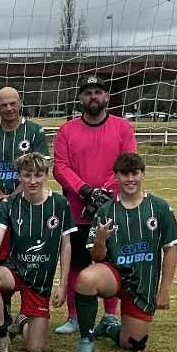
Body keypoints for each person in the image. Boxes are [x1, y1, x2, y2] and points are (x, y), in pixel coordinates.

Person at [71, 152, 177, 352]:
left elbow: (171, 249)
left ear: (143, 175)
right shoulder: (105, 211)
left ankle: (109, 328)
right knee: (86, 279)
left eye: (135, 173)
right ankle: (87, 339)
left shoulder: (159, 208)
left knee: (134, 343)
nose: (130, 179)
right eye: (124, 174)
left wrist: (164, 291)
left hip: (143, 281)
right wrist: (101, 239)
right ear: (116, 177)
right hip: (114, 275)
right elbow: (97, 257)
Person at [51, 74, 139, 335]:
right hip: (77, 209)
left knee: (112, 262)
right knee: (76, 263)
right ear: (80, 98)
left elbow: (129, 162)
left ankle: (110, 315)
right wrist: (85, 190)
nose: (93, 97)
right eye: (88, 93)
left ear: (106, 97)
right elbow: (60, 166)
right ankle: (75, 316)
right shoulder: (67, 130)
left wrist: (106, 191)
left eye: (98, 92)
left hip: (112, 209)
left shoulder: (122, 127)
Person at [0, 151, 74, 352]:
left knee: (35, 348)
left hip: (40, 282)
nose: (32, 181)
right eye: (27, 175)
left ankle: (23, 320)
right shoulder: (9, 204)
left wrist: (62, 285)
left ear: (45, 175)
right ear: (19, 176)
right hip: (15, 270)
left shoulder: (60, 204)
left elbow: (66, 246)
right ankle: (1, 336)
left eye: (38, 175)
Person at [0, 87, 50, 228]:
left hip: (30, 204)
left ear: (20, 103)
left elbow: (41, 168)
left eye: (13, 103)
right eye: (4, 105)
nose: (9, 108)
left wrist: (13, 198)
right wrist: (1, 198)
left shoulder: (35, 131)